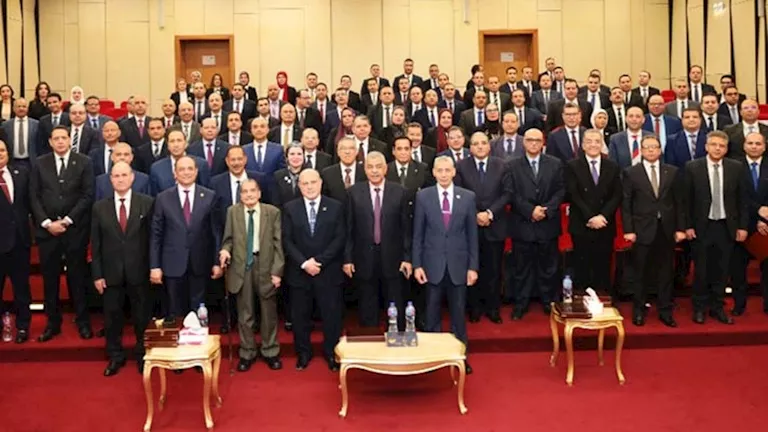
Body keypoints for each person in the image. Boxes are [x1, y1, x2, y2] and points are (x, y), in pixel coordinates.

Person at [413, 156, 478, 374]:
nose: (443, 174)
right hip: (432, 265)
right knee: (432, 314)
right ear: (433, 172)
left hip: (459, 265)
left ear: (453, 172)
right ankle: (433, 358)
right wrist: (417, 264)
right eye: (439, 170)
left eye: (447, 170)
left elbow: (472, 235)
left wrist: (473, 267)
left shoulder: (468, 197)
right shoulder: (423, 196)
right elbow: (418, 234)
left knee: (458, 315)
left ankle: (460, 356)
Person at [30, 126, 94, 341]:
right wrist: (47, 223)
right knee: (50, 280)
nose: (60, 141)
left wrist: (67, 220)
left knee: (78, 278)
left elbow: (87, 195)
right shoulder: (39, 163)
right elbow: (33, 196)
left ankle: (83, 322)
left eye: (63, 138)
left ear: (69, 140)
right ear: (50, 141)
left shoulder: (84, 162)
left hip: (74, 230)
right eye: (56, 138)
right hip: (47, 232)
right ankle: (52, 323)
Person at [90, 162, 154, 376]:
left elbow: (153, 240)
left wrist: (153, 267)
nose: (120, 179)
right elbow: (95, 244)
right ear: (110, 179)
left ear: (132, 177)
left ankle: (143, 355)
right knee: (112, 318)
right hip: (110, 273)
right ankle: (115, 356)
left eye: (124, 175)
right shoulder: (99, 207)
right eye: (116, 176)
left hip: (140, 271)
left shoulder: (147, 203)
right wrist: (97, 274)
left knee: (142, 318)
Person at [282, 169, 345, 371]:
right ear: (299, 186)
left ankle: (331, 353)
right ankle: (303, 353)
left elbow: (339, 238)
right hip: (300, 272)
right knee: (300, 317)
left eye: (313, 182)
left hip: (328, 272)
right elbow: (287, 240)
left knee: (331, 316)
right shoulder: (290, 208)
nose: (309, 187)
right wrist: (304, 263)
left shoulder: (335, 207)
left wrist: (319, 262)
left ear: (320, 183)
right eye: (305, 183)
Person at [219, 179, 284, 372]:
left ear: (259, 193)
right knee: (245, 314)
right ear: (240, 195)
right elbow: (228, 239)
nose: (249, 194)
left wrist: (277, 271)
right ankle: (247, 352)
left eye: (252, 191)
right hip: (242, 267)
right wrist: (225, 250)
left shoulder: (272, 212)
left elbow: (278, 244)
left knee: (268, 312)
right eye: (245, 191)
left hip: (265, 265)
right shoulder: (232, 212)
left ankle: (270, 351)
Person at [621, 136, 685, 327]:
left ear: (660, 150)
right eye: (647, 147)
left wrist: (681, 228)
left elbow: (679, 202)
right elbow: (626, 204)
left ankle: (665, 311)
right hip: (641, 229)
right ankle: (639, 310)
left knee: (666, 272)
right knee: (640, 272)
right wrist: (629, 230)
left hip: (666, 229)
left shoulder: (672, 171)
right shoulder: (631, 172)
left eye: (654, 147)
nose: (651, 150)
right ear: (641, 150)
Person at [685, 131, 747, 324]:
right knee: (701, 270)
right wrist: (687, 226)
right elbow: (685, 200)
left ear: (726, 149)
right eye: (714, 144)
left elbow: (742, 200)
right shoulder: (693, 167)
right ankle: (699, 308)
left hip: (726, 226)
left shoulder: (736, 167)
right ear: (706, 146)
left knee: (722, 270)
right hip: (701, 227)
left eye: (721, 145)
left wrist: (742, 227)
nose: (717, 148)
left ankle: (717, 307)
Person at [344, 151, 412, 329]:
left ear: (385, 169)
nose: (374, 171)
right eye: (370, 167)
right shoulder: (353, 192)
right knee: (367, 302)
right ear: (365, 169)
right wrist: (348, 259)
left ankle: (398, 337)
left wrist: (407, 258)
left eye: (378, 167)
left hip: (393, 257)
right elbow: (349, 228)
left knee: (395, 300)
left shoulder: (400, 192)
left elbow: (406, 229)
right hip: (363, 257)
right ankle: (370, 336)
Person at [149, 156, 222, 320]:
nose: (186, 172)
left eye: (190, 169)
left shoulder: (209, 196)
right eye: (181, 169)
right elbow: (156, 234)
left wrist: (217, 262)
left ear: (196, 172)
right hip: (172, 264)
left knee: (200, 313)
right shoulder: (163, 198)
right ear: (175, 173)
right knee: (175, 313)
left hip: (200, 263)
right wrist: (155, 266)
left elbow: (215, 232)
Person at [506, 129, 564, 319]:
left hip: (548, 224)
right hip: (523, 224)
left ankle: (549, 302)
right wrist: (530, 210)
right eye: (530, 140)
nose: (533, 143)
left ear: (543, 143)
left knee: (549, 268)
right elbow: (511, 193)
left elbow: (560, 190)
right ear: (524, 143)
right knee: (521, 269)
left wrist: (546, 210)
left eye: (537, 140)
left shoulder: (555, 164)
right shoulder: (512, 165)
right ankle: (520, 304)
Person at [455, 132, 509, 324]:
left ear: (489, 146)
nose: (479, 146)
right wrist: (476, 214)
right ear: (470, 147)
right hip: (470, 226)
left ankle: (493, 308)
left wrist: (489, 213)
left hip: (495, 225)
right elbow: (458, 193)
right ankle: (474, 308)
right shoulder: (461, 166)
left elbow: (507, 193)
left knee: (494, 270)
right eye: (475, 143)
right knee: (472, 268)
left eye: (483, 143)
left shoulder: (502, 165)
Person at [565, 129, 622, 296]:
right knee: (581, 266)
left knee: (603, 266)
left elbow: (617, 195)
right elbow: (573, 194)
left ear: (602, 144)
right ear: (583, 145)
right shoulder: (572, 166)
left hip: (605, 224)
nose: (593, 145)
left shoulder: (612, 166)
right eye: (589, 141)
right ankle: (581, 301)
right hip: (581, 224)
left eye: (597, 141)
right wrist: (590, 217)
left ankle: (603, 300)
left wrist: (603, 216)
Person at [731, 132, 768, 316]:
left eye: (758, 143)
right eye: (750, 143)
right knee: (738, 269)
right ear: (744, 145)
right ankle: (739, 304)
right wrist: (758, 210)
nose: (754, 146)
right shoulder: (734, 166)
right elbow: (734, 196)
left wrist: (764, 218)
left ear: (764, 146)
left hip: (766, 226)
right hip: (741, 225)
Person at [0, 140, 32, 343]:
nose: (0, 153)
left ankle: (22, 327)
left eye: (2, 150)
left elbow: (30, 202)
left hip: (20, 242)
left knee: (22, 289)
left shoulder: (21, 173)